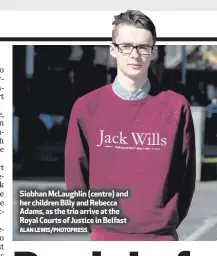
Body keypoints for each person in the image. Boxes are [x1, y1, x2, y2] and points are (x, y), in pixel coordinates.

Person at [64, 10, 196, 241]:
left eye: (143, 47)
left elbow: (186, 178)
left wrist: (164, 223)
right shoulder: (87, 107)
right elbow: (76, 177)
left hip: (160, 239)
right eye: (126, 46)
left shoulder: (176, 107)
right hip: (105, 238)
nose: (135, 54)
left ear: (153, 52)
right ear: (113, 49)